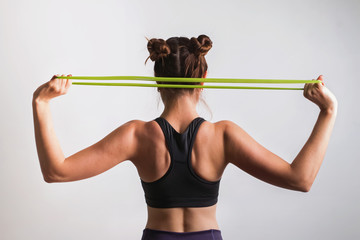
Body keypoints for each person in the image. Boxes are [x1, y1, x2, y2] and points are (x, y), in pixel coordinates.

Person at [32, 34, 338, 240]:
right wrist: (327, 112)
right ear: (203, 77)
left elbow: (56, 172)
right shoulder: (224, 136)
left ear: (157, 79)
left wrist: (41, 103)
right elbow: (301, 179)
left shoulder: (136, 135)